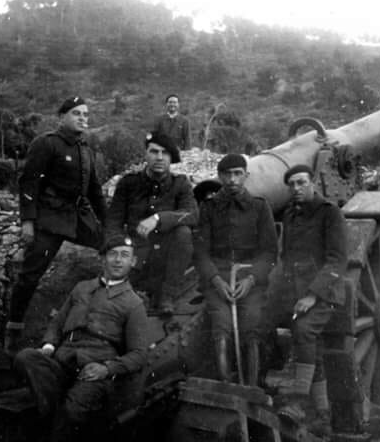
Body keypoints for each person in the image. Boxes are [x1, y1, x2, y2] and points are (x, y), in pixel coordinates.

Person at [13, 235, 148, 441]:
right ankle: (54, 417)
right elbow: (57, 323)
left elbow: (138, 354)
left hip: (94, 370)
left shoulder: (133, 303)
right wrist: (48, 346)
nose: (118, 260)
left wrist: (107, 369)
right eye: (112, 254)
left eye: (124, 255)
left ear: (133, 262)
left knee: (72, 410)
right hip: (62, 360)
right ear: (103, 259)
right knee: (25, 358)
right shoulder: (82, 288)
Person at [5, 96, 106, 351]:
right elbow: (29, 184)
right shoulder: (46, 144)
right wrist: (28, 221)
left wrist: (110, 224)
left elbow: (94, 191)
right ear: (62, 117)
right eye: (76, 113)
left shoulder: (85, 149)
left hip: (78, 218)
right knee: (30, 275)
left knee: (112, 248)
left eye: (85, 114)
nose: (83, 118)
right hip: (50, 220)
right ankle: (13, 328)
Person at [266, 164, 348, 432]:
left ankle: (299, 403)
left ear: (313, 183)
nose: (296, 189)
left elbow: (337, 259)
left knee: (303, 331)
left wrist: (312, 296)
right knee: (310, 348)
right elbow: (287, 258)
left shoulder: (329, 213)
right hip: (295, 290)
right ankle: (324, 416)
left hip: (325, 293)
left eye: (301, 183)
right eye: (291, 185)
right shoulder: (290, 214)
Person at [194, 154, 277, 385]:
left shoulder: (260, 207)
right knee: (221, 327)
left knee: (252, 326)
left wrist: (251, 280)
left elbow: (270, 252)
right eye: (227, 175)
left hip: (251, 278)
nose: (232, 180)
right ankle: (225, 383)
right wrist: (216, 281)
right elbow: (201, 252)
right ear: (220, 177)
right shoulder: (209, 208)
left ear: (246, 176)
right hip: (218, 279)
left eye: (238, 174)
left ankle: (252, 385)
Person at [106, 131, 197, 315]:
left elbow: (192, 214)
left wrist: (159, 218)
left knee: (184, 233)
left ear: (171, 158)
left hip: (167, 257)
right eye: (154, 152)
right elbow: (113, 222)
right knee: (115, 305)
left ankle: (167, 296)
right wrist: (119, 249)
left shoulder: (180, 184)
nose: (159, 157)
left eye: (165, 153)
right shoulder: (128, 183)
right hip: (136, 254)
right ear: (146, 154)